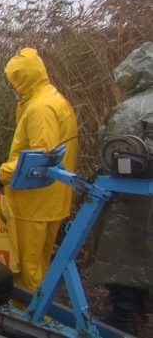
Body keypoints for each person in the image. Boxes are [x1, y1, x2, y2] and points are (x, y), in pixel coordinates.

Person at [0, 48, 79, 295]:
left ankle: (29, 320)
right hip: (52, 198)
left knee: (28, 266)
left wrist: (3, 173)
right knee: (40, 261)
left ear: (23, 78)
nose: (10, 86)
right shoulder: (54, 98)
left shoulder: (39, 108)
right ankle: (41, 307)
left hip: (34, 201)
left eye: (12, 80)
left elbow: (42, 157)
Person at [90, 42, 153, 335]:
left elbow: (114, 153)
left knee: (124, 254)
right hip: (145, 195)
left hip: (132, 201)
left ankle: (122, 319)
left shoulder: (132, 108)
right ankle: (141, 312)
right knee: (146, 258)